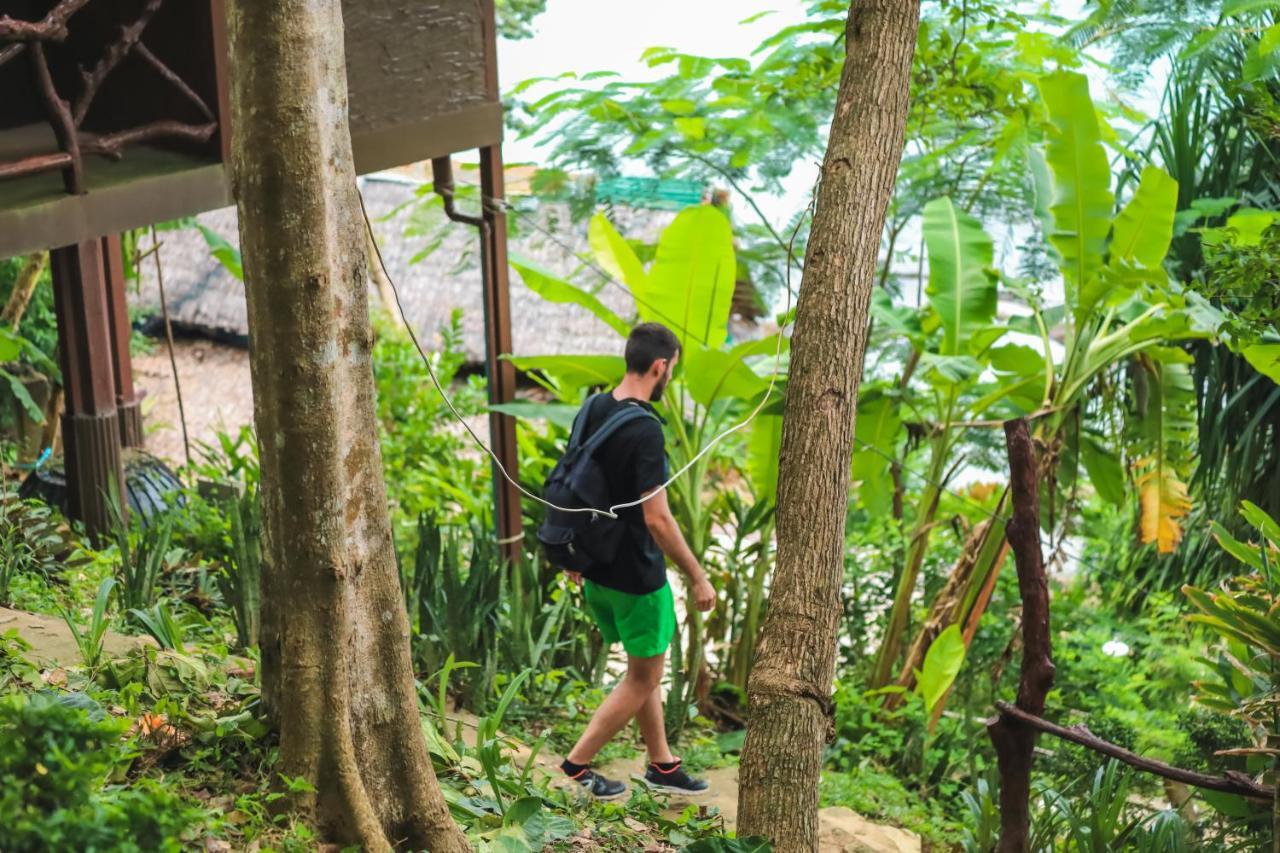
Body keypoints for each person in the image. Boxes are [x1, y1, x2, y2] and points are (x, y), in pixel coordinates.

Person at [558, 322, 717, 800]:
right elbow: (658, 519)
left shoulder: (593, 409)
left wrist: (574, 553)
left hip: (595, 567)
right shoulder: (646, 429)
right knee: (643, 675)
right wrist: (697, 575)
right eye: (672, 370)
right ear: (660, 367)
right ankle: (576, 766)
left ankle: (662, 764)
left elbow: (574, 481)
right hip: (635, 573)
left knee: (644, 665)